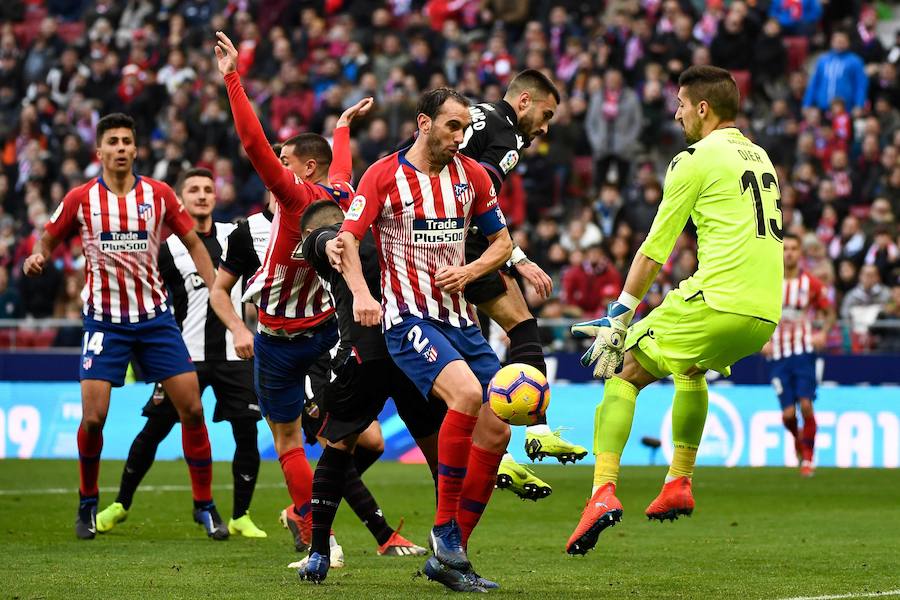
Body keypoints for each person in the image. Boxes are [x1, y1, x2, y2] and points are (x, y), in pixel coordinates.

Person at [566, 66, 783, 555]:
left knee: (623, 370)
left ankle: (601, 492)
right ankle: (678, 482)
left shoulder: (695, 158)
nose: (677, 113)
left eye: (681, 104)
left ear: (703, 108)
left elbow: (653, 249)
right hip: (764, 311)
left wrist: (619, 315)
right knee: (689, 367)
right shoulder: (762, 157)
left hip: (719, 299)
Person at [331, 87, 513, 592]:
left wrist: (473, 268)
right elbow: (346, 238)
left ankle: (451, 554)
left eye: (466, 129)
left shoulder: (472, 177)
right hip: (406, 319)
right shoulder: (384, 175)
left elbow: (503, 241)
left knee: (498, 429)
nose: (461, 137)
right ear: (424, 122)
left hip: (460, 321)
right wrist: (364, 295)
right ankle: (443, 532)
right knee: (469, 396)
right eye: (452, 127)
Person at [23, 113, 222, 540]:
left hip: (155, 319)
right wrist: (38, 255)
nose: (119, 147)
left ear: (135, 149)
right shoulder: (80, 199)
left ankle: (204, 505)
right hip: (105, 322)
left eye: (126, 141)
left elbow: (191, 241)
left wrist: (215, 286)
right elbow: (48, 237)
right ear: (99, 151)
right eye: (111, 141)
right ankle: (87, 502)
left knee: (192, 408)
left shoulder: (160, 194)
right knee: (93, 419)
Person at [212, 31, 358, 557]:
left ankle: (324, 539)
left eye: (286, 157)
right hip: (325, 328)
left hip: (277, 335)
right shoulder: (340, 196)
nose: (277, 161)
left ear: (303, 169)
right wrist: (342, 130)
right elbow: (340, 170)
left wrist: (232, 77)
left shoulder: (293, 196)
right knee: (351, 438)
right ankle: (327, 517)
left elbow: (252, 144)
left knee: (288, 440)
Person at [94, 167, 266, 539]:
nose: (202, 195)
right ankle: (121, 503)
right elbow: (144, 295)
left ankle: (240, 515)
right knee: (154, 430)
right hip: (184, 355)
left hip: (234, 353)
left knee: (247, 433)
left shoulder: (235, 236)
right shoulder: (167, 247)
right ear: (181, 199)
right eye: (194, 190)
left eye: (208, 189)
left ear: (215, 197)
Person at [297, 200, 453, 582]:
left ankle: (318, 554)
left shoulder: (328, 238)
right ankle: (450, 552)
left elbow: (322, 238)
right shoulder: (367, 236)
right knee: (441, 461)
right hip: (409, 353)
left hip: (362, 358)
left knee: (337, 452)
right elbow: (326, 239)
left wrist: (327, 240)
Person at [457, 68, 587, 500]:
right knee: (489, 339)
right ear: (525, 101)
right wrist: (517, 257)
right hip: (451, 247)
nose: (546, 127)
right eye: (546, 114)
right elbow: (479, 196)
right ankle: (523, 440)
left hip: (452, 241)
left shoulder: (474, 117)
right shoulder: (505, 132)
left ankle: (529, 438)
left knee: (506, 331)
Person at [762, 233, 834, 478]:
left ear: (800, 252)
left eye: (794, 248)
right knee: (788, 414)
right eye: (786, 249)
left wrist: (822, 333)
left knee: (805, 405)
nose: (789, 253)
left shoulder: (810, 284)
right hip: (778, 354)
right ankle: (798, 438)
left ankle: (809, 459)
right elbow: (755, 312)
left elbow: (829, 311)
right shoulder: (769, 282)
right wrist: (762, 341)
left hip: (803, 352)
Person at [803, 29, 868, 113]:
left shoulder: (855, 61)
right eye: (837, 41)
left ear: (848, 42)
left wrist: (859, 104)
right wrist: (807, 104)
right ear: (832, 42)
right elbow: (814, 83)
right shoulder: (823, 60)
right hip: (822, 108)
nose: (839, 44)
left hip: (846, 109)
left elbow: (861, 85)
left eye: (842, 41)